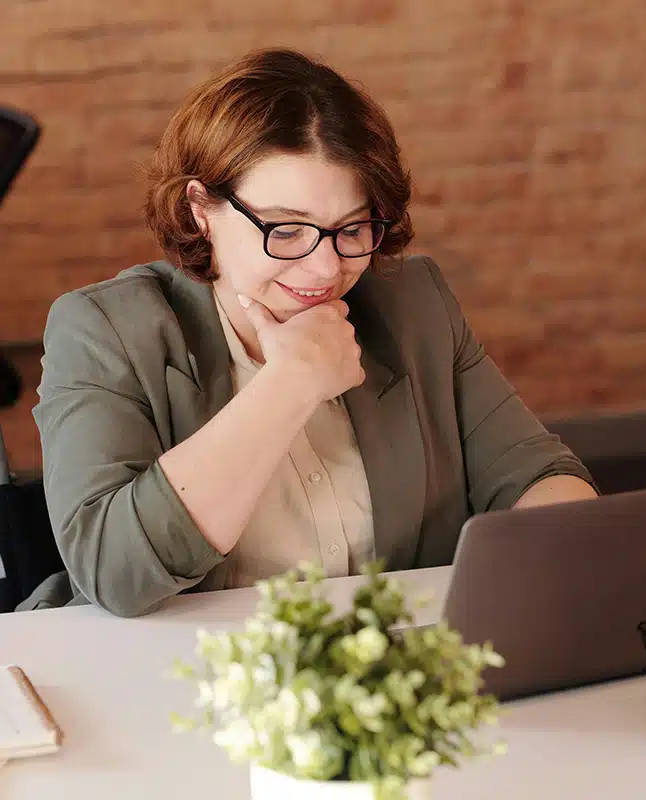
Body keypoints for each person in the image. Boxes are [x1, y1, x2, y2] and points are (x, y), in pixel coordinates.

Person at [24, 48, 597, 617]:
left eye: (352, 228)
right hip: (182, 679)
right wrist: (289, 385)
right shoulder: (102, 331)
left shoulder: (414, 304)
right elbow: (113, 569)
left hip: (388, 673)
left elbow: (537, 475)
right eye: (286, 230)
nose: (326, 269)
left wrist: (584, 552)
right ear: (201, 208)